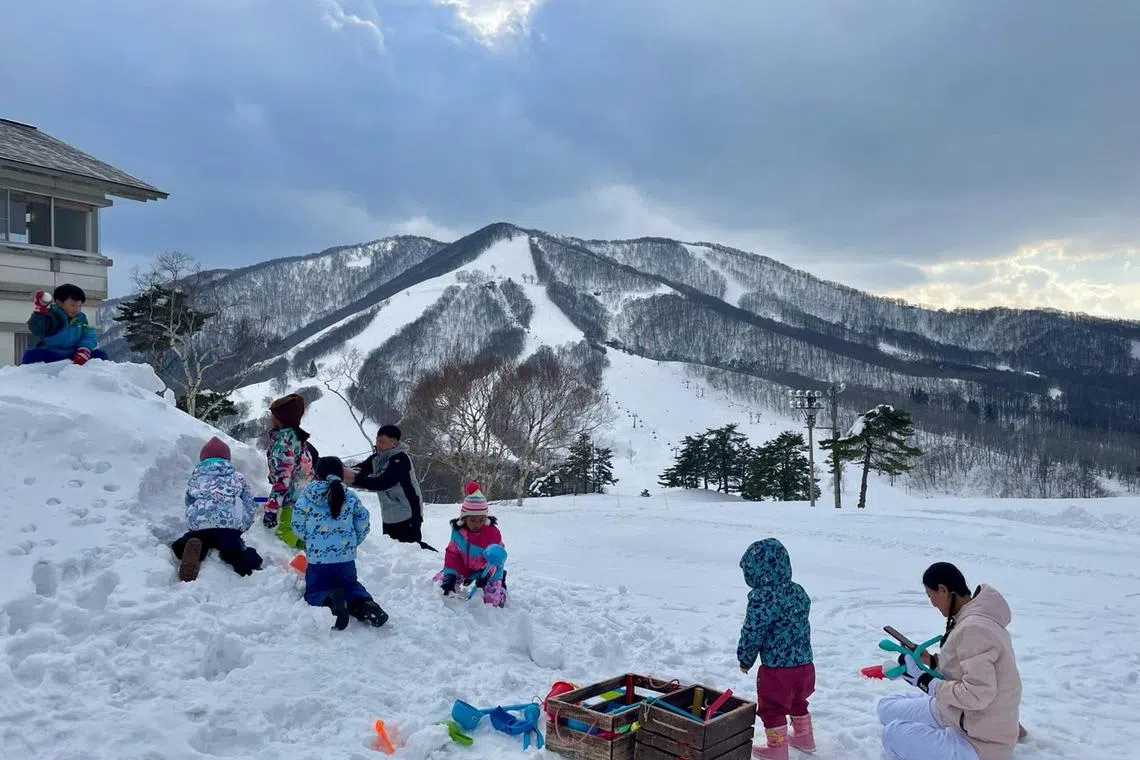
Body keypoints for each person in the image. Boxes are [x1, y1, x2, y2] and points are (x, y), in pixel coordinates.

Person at [876, 562, 1022, 760]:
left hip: (980, 743)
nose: (932, 603)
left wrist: (924, 681)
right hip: (957, 713)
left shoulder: (974, 628)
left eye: (930, 595)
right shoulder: (972, 619)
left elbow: (978, 695)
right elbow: (968, 667)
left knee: (891, 734)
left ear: (943, 590)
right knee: (885, 707)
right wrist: (931, 661)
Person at [737, 538, 815, 759]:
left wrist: (745, 659)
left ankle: (777, 748)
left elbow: (753, 631)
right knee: (798, 700)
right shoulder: (797, 591)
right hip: (806, 665)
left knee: (772, 707)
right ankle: (804, 736)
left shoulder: (762, 598)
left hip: (778, 669)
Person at [291, 456, 388, 630]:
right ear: (341, 475)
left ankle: (331, 600)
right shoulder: (349, 496)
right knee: (350, 585)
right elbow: (363, 520)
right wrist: (354, 541)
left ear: (317, 475)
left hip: (317, 558)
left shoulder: (307, 495)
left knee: (314, 590)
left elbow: (297, 525)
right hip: (345, 557)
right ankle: (366, 605)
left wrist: (311, 540)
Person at [171, 436, 263, 582]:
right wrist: (244, 524)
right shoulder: (237, 476)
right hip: (229, 526)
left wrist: (193, 521)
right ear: (227, 459)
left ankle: (185, 547)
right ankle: (248, 563)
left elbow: (189, 500)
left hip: (201, 524)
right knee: (233, 550)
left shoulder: (197, 476)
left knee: (197, 539)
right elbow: (250, 502)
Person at [348, 424, 436, 551]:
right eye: (377, 440)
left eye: (382, 442)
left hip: (408, 513)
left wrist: (353, 479)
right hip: (390, 514)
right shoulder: (378, 457)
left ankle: (438, 560)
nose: (378, 444)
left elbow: (382, 483)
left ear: (394, 443)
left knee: (411, 550)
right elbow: (362, 468)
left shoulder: (400, 459)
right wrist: (344, 472)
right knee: (391, 549)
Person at [438, 482, 507, 607]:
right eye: (472, 520)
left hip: (487, 571)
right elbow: (453, 554)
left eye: (481, 520)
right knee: (441, 583)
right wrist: (450, 575)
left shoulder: (492, 534)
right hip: (465, 569)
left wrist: (487, 574)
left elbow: (496, 559)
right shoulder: (458, 533)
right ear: (464, 518)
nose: (477, 524)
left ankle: (502, 586)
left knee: (492, 603)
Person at [262, 393, 314, 548]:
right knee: (299, 529)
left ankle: (310, 551)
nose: (271, 417)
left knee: (284, 532)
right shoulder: (296, 436)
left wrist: (271, 509)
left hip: (292, 499)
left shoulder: (284, 443)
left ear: (280, 419)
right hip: (303, 495)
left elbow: (282, 478)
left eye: (273, 414)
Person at [21, 284, 108, 365]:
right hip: (52, 353)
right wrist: (39, 312)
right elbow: (37, 329)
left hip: (74, 354)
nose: (76, 309)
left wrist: (84, 349)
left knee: (99, 355)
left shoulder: (81, 320)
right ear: (59, 303)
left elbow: (89, 334)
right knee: (31, 355)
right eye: (73, 305)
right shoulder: (51, 316)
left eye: (79, 306)